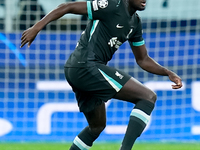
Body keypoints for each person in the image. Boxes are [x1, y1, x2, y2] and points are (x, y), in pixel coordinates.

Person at [20, 0, 183, 149]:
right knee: (148, 97)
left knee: (96, 126)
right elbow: (67, 6)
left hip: (79, 69)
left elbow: (143, 59)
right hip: (86, 65)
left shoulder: (135, 23)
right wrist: (36, 27)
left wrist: (168, 73)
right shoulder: (111, 5)